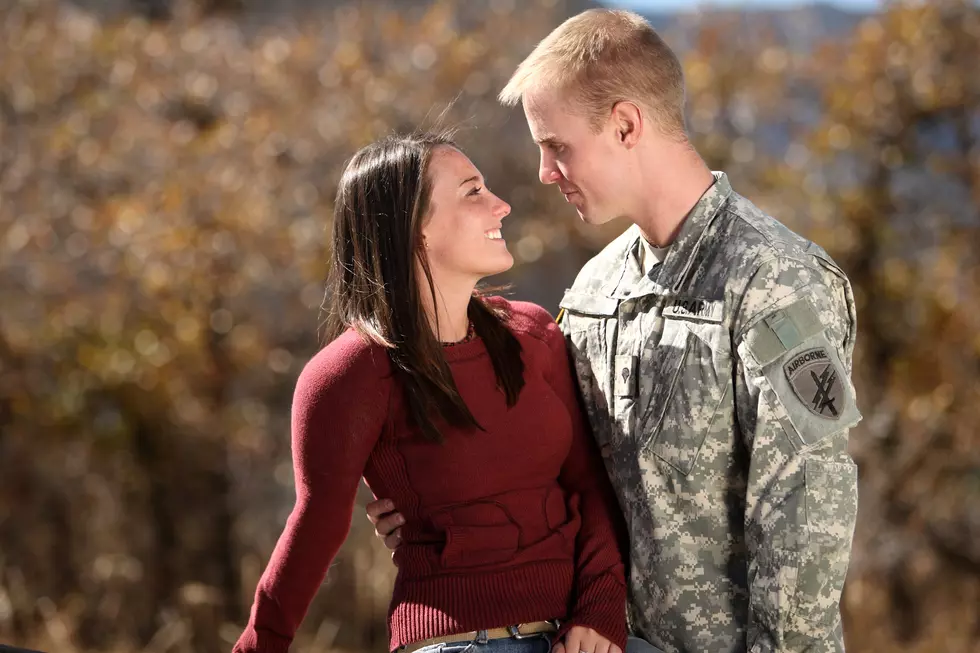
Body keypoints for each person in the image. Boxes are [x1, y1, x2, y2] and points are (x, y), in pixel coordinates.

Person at [367, 9, 861, 653]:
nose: (545, 172)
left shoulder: (777, 282)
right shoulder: (596, 290)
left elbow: (806, 515)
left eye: (557, 146)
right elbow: (551, 465)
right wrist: (429, 497)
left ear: (626, 125)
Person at [232, 132, 629, 653]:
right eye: (472, 192)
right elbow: (315, 528)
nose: (501, 205)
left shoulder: (533, 335)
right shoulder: (350, 373)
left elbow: (588, 481)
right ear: (413, 230)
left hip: (575, 635)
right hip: (460, 642)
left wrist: (600, 611)